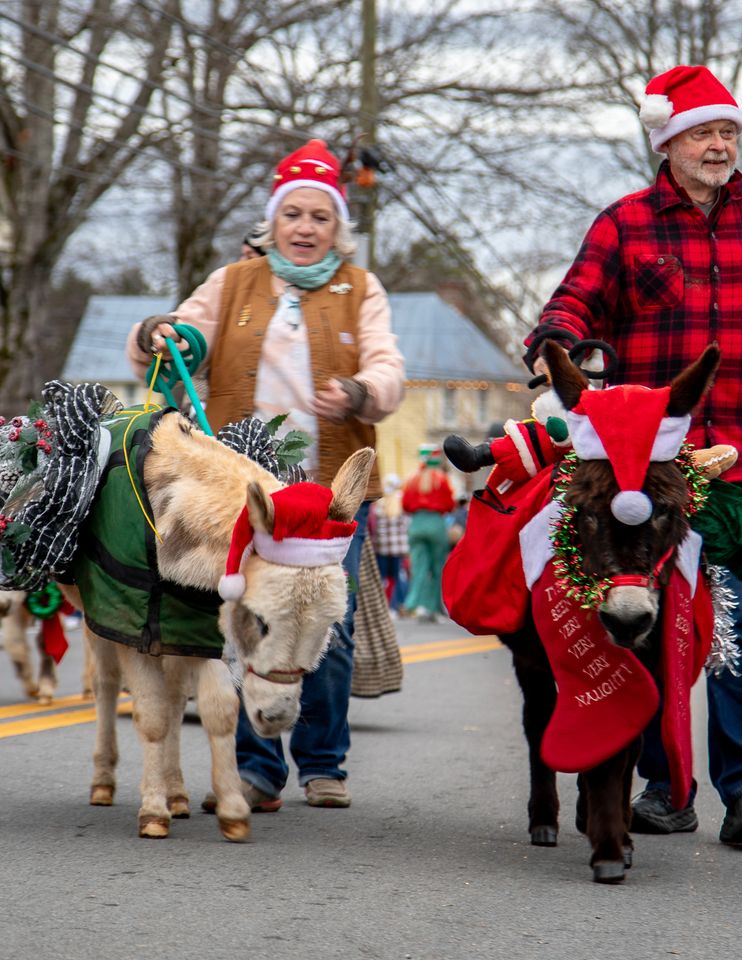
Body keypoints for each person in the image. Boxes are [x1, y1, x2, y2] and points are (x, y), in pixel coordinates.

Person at [524, 65, 742, 845]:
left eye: (728, 132)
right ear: (668, 142)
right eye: (704, 132)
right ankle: (667, 789)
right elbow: (571, 304)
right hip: (648, 466)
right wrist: (556, 347)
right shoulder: (624, 224)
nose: (720, 145)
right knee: (655, 626)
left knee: (738, 625)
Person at [127, 138, 405, 810]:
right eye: (294, 215)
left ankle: (322, 761)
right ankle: (257, 766)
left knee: (321, 630)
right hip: (247, 490)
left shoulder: (361, 289)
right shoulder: (232, 282)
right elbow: (177, 338)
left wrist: (360, 392)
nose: (306, 228)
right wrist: (162, 334)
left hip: (330, 487)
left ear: (338, 229)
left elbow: (389, 371)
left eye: (320, 218)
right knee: (248, 621)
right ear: (273, 222)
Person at [401, 447, 455, 622]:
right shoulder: (442, 479)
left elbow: (405, 505)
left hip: (416, 523)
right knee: (437, 567)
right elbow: (449, 504)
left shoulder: (412, 480)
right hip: (435, 523)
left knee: (418, 566)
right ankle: (434, 608)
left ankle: (415, 603)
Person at [370, 473, 409, 613]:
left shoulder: (379, 502)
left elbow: (374, 526)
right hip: (399, 548)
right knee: (398, 576)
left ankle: (384, 606)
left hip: (382, 548)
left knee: (383, 578)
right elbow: (406, 524)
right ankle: (400, 605)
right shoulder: (401, 501)